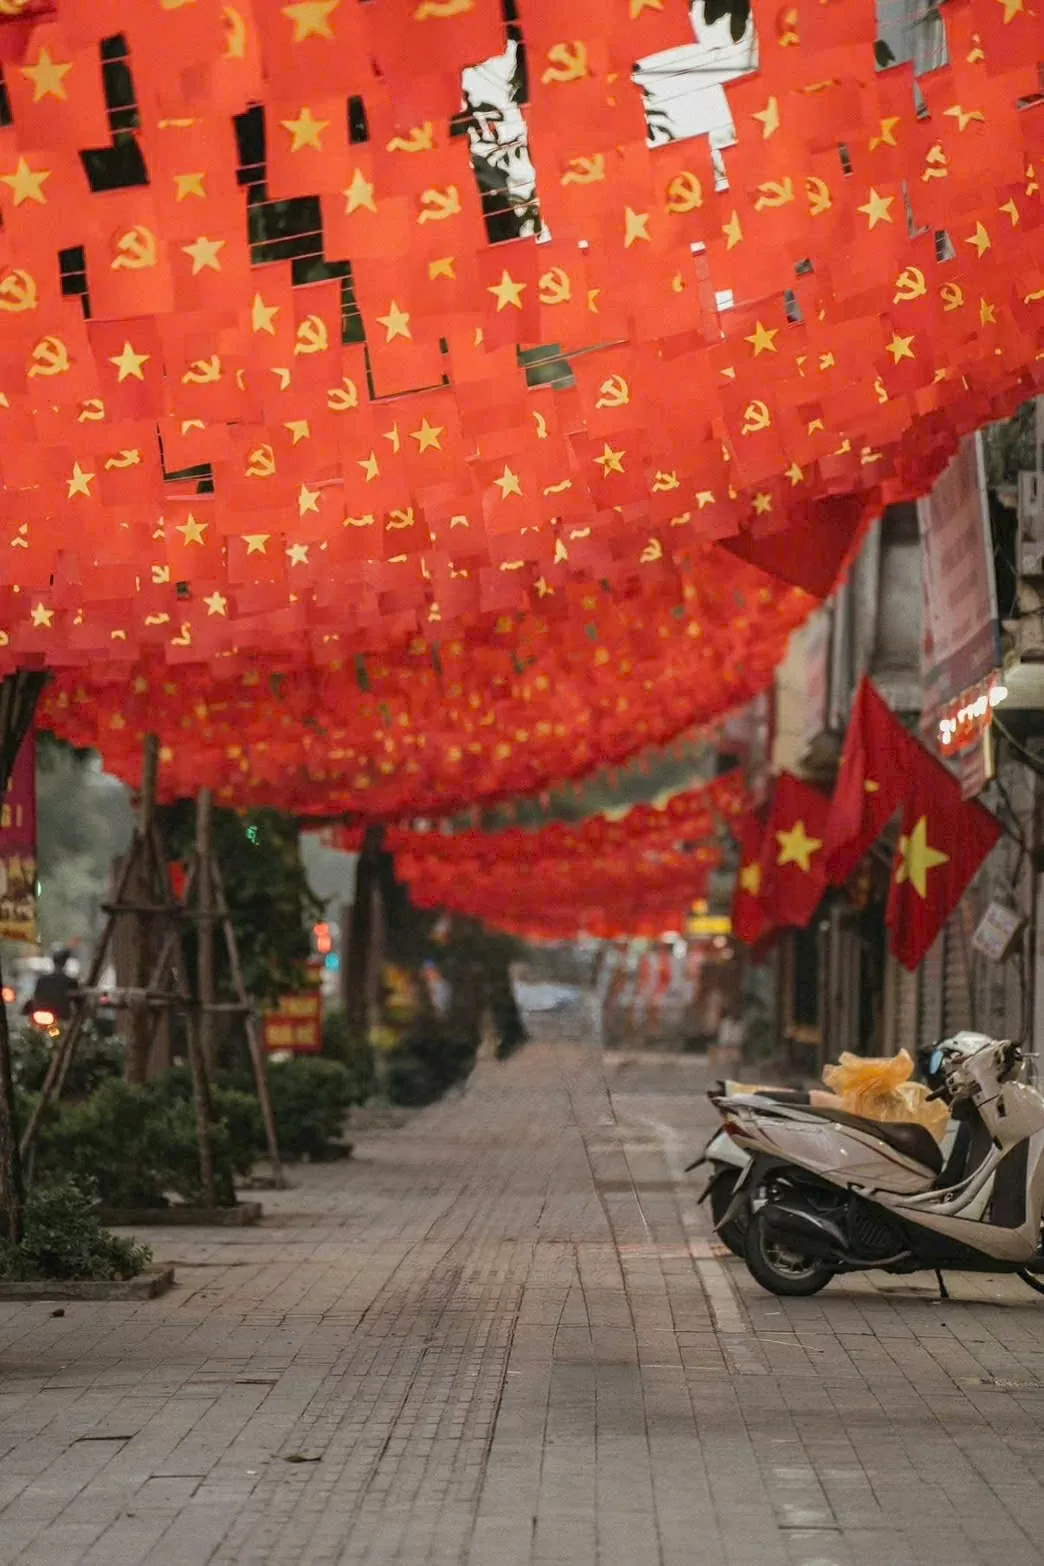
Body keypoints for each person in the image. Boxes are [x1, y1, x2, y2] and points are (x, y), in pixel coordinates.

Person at [28, 948, 77, 1022]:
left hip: (41, 1016)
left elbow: (35, 997)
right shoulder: (70, 981)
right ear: (65, 963)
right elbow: (78, 1000)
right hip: (60, 1017)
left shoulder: (42, 979)